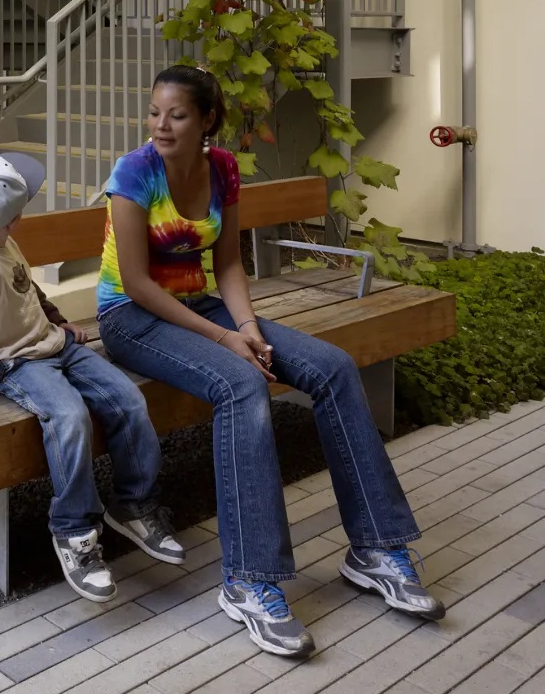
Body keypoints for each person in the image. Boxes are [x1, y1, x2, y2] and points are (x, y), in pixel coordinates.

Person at [96, 64, 444, 660]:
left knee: (331, 366)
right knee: (241, 385)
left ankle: (375, 549)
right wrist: (226, 339)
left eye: (176, 115)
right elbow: (135, 282)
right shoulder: (135, 172)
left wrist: (250, 328)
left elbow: (229, 265)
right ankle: (250, 582)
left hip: (203, 304)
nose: (160, 125)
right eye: (155, 112)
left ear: (206, 120)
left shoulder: (222, 169)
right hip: (133, 316)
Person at [0, 153, 183, 603]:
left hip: (52, 345)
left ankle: (134, 503)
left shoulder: (1, 244)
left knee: (127, 400)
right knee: (69, 417)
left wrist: (57, 320)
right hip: (13, 363)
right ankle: (74, 532)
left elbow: (28, 288)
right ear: (14, 216)